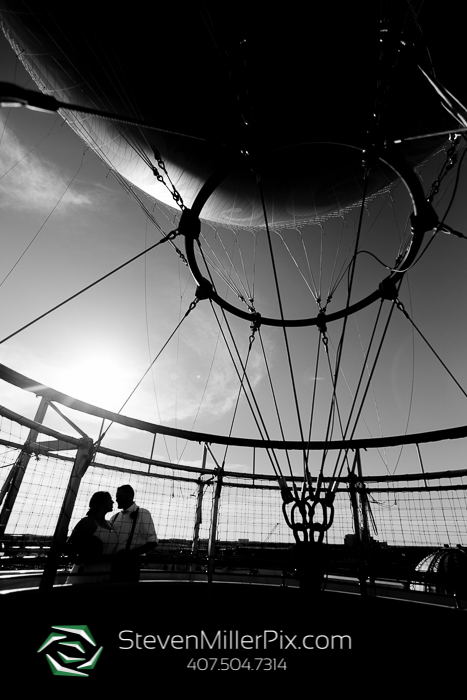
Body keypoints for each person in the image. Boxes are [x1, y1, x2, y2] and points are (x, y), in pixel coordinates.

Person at [65, 491, 118, 584]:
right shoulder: (87, 522)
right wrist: (83, 557)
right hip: (85, 576)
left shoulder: (110, 524)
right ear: (103, 503)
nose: (113, 502)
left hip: (105, 575)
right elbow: (69, 547)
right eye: (110, 499)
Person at [109, 485, 158, 582]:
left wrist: (130, 554)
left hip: (130, 566)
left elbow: (152, 542)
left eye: (119, 497)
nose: (116, 500)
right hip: (112, 564)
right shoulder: (114, 517)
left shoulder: (143, 513)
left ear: (128, 496)